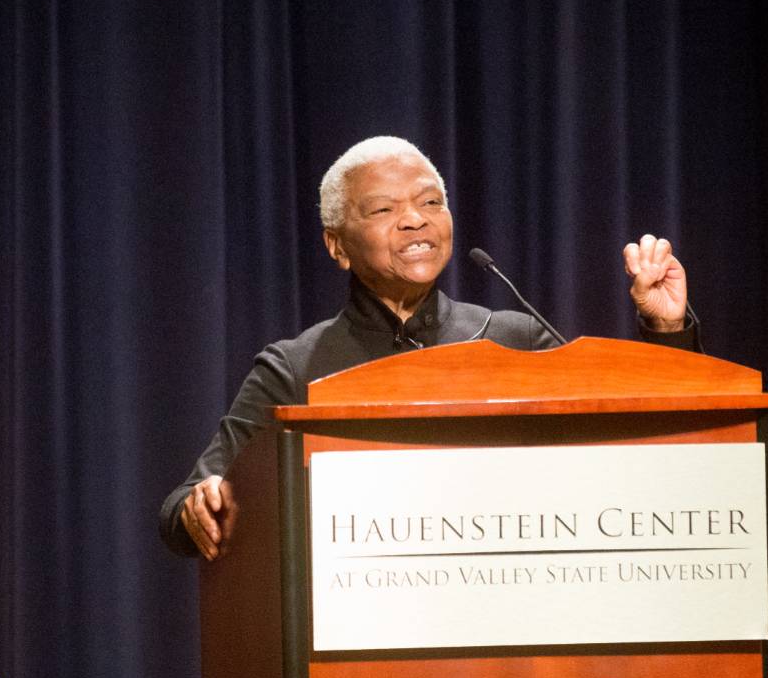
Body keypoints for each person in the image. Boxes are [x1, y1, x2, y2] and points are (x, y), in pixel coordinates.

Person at [161, 135, 697, 559]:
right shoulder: (296, 368)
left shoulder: (513, 339)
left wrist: (666, 331)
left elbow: (637, 444)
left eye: (430, 202)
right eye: (382, 210)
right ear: (335, 244)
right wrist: (197, 507)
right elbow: (183, 507)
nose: (415, 219)